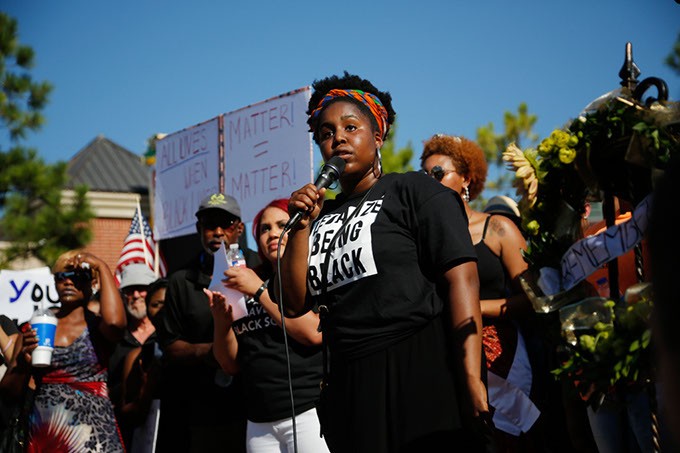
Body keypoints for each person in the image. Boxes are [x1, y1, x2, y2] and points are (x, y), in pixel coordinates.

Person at [275, 72, 488, 452]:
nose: (336, 137)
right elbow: (294, 302)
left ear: (377, 137)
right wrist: (303, 228)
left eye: (350, 127)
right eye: (325, 133)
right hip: (349, 383)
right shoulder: (319, 216)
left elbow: (462, 279)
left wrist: (472, 376)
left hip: (419, 368)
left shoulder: (414, 190)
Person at [420, 134, 540, 451]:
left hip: (501, 354)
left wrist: (470, 307)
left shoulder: (498, 228)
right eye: (424, 176)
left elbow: (534, 298)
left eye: (438, 173)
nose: (429, 182)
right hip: (446, 355)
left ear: (466, 179)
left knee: (506, 441)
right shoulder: (423, 241)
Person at [206, 198, 329, 453]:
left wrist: (260, 291)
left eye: (282, 224)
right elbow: (230, 364)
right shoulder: (247, 279)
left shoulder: (312, 273)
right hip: (259, 423)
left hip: (308, 413)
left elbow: (314, 334)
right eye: (264, 228)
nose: (273, 232)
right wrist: (221, 323)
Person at [154, 192, 259, 452]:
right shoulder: (181, 281)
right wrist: (211, 352)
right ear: (199, 229)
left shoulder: (260, 268)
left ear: (240, 229)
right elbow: (171, 346)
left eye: (226, 224)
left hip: (257, 402)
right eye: (210, 225)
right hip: (203, 411)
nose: (218, 232)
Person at [14, 251, 127, 451]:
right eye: (61, 277)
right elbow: (8, 391)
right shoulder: (36, 325)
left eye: (76, 277)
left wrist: (101, 265)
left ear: (91, 283)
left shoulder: (98, 326)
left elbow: (117, 323)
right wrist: (23, 362)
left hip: (94, 432)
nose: (68, 283)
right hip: (49, 431)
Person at [109, 262, 158, 448]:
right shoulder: (114, 337)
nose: (136, 295)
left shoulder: (167, 334)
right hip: (122, 429)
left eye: (141, 289)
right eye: (130, 290)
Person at [120, 278, 168, 453]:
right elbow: (128, 412)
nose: (163, 310)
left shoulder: (195, 347)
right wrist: (147, 389)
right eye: (156, 304)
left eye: (168, 303)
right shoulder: (139, 356)